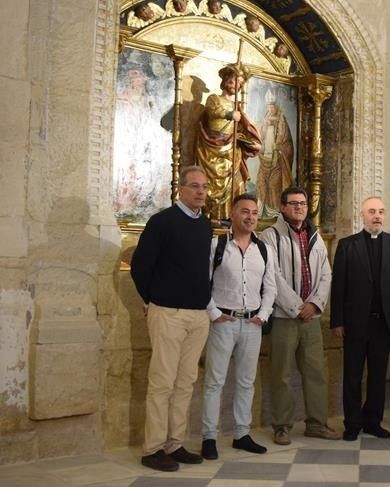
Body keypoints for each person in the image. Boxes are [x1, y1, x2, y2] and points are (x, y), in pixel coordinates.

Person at [130, 166, 213, 472]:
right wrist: (152, 300)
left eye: (204, 187)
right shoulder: (162, 222)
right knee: (162, 382)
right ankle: (152, 448)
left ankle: (175, 443)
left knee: (185, 382)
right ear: (181, 189)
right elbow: (141, 266)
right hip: (168, 313)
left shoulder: (204, 226)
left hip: (197, 315)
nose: (201, 192)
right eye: (194, 186)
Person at [200, 194, 277, 460]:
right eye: (245, 211)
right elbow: (203, 281)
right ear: (233, 214)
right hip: (224, 322)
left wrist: (263, 315)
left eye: (255, 212)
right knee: (214, 382)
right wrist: (213, 313)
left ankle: (241, 434)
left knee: (246, 382)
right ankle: (209, 437)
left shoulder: (264, 249)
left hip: (253, 324)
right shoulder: (217, 245)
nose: (251, 217)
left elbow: (271, 287)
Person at [260, 187, 338, 445]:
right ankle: (282, 426)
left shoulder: (315, 236)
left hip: (311, 319)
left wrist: (315, 305)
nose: (299, 208)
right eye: (293, 203)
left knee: (316, 372)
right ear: (282, 207)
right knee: (281, 374)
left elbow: (326, 274)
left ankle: (316, 423)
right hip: (284, 317)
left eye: (302, 203)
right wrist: (297, 306)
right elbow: (272, 275)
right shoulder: (270, 236)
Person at [330, 197, 390, 441]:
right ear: (362, 214)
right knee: (352, 376)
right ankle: (352, 423)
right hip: (355, 323)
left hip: (383, 323)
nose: (377, 216)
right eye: (372, 211)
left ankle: (373, 421)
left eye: (381, 212)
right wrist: (337, 321)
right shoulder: (347, 245)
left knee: (378, 375)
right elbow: (339, 286)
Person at [195, 64, 262, 220]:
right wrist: (229, 114)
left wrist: (249, 140)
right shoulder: (214, 98)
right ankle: (214, 216)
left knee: (236, 182)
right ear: (225, 81)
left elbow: (243, 127)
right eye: (233, 80)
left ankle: (232, 216)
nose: (235, 85)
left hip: (232, 148)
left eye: (239, 83)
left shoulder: (237, 106)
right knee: (213, 182)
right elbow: (213, 111)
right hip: (213, 146)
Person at [256, 90, 294, 219]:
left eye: (272, 106)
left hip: (277, 158)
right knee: (261, 182)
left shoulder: (281, 120)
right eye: (268, 107)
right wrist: (266, 127)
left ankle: (274, 211)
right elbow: (259, 136)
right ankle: (261, 210)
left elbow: (285, 139)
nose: (270, 109)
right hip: (265, 156)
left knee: (274, 184)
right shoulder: (266, 119)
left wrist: (278, 147)